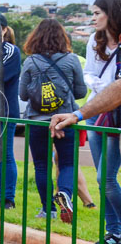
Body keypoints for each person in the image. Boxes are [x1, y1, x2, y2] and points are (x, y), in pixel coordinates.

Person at [19, 18, 87, 222]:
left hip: (37, 120)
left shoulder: (30, 61)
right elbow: (81, 91)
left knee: (41, 165)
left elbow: (22, 95)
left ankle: (48, 209)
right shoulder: (72, 59)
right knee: (67, 163)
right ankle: (65, 194)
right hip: (66, 119)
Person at [82, 0, 121, 244]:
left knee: (104, 177)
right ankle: (114, 231)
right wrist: (103, 87)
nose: (93, 18)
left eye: (97, 13)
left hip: (116, 113)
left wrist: (106, 88)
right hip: (98, 113)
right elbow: (89, 74)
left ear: (111, 13)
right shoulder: (94, 41)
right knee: (102, 179)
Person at [0, 13, 21, 210]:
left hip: (6, 110)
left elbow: (0, 77)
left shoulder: (10, 50)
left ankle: (8, 197)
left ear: (4, 30)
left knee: (6, 155)